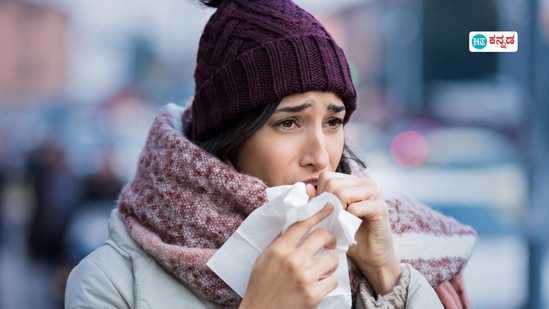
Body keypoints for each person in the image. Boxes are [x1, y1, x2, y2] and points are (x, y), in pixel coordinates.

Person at [65, 0, 477, 308]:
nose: (321, 155)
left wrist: (389, 278)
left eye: (333, 122)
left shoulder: (379, 244)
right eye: (288, 123)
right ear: (229, 136)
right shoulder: (112, 282)